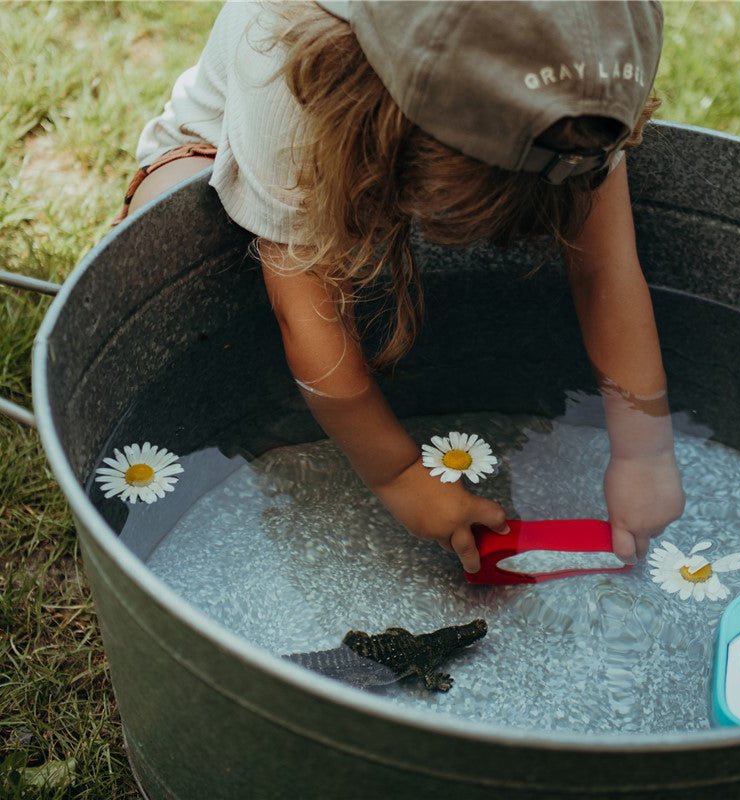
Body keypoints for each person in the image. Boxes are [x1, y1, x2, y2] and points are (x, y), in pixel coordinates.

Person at [113, 0, 685, 574]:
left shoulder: (582, 77)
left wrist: (645, 449)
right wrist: (400, 476)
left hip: (401, 131)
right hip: (235, 151)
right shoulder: (284, 55)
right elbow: (305, 317)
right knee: (182, 225)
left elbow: (605, 269)